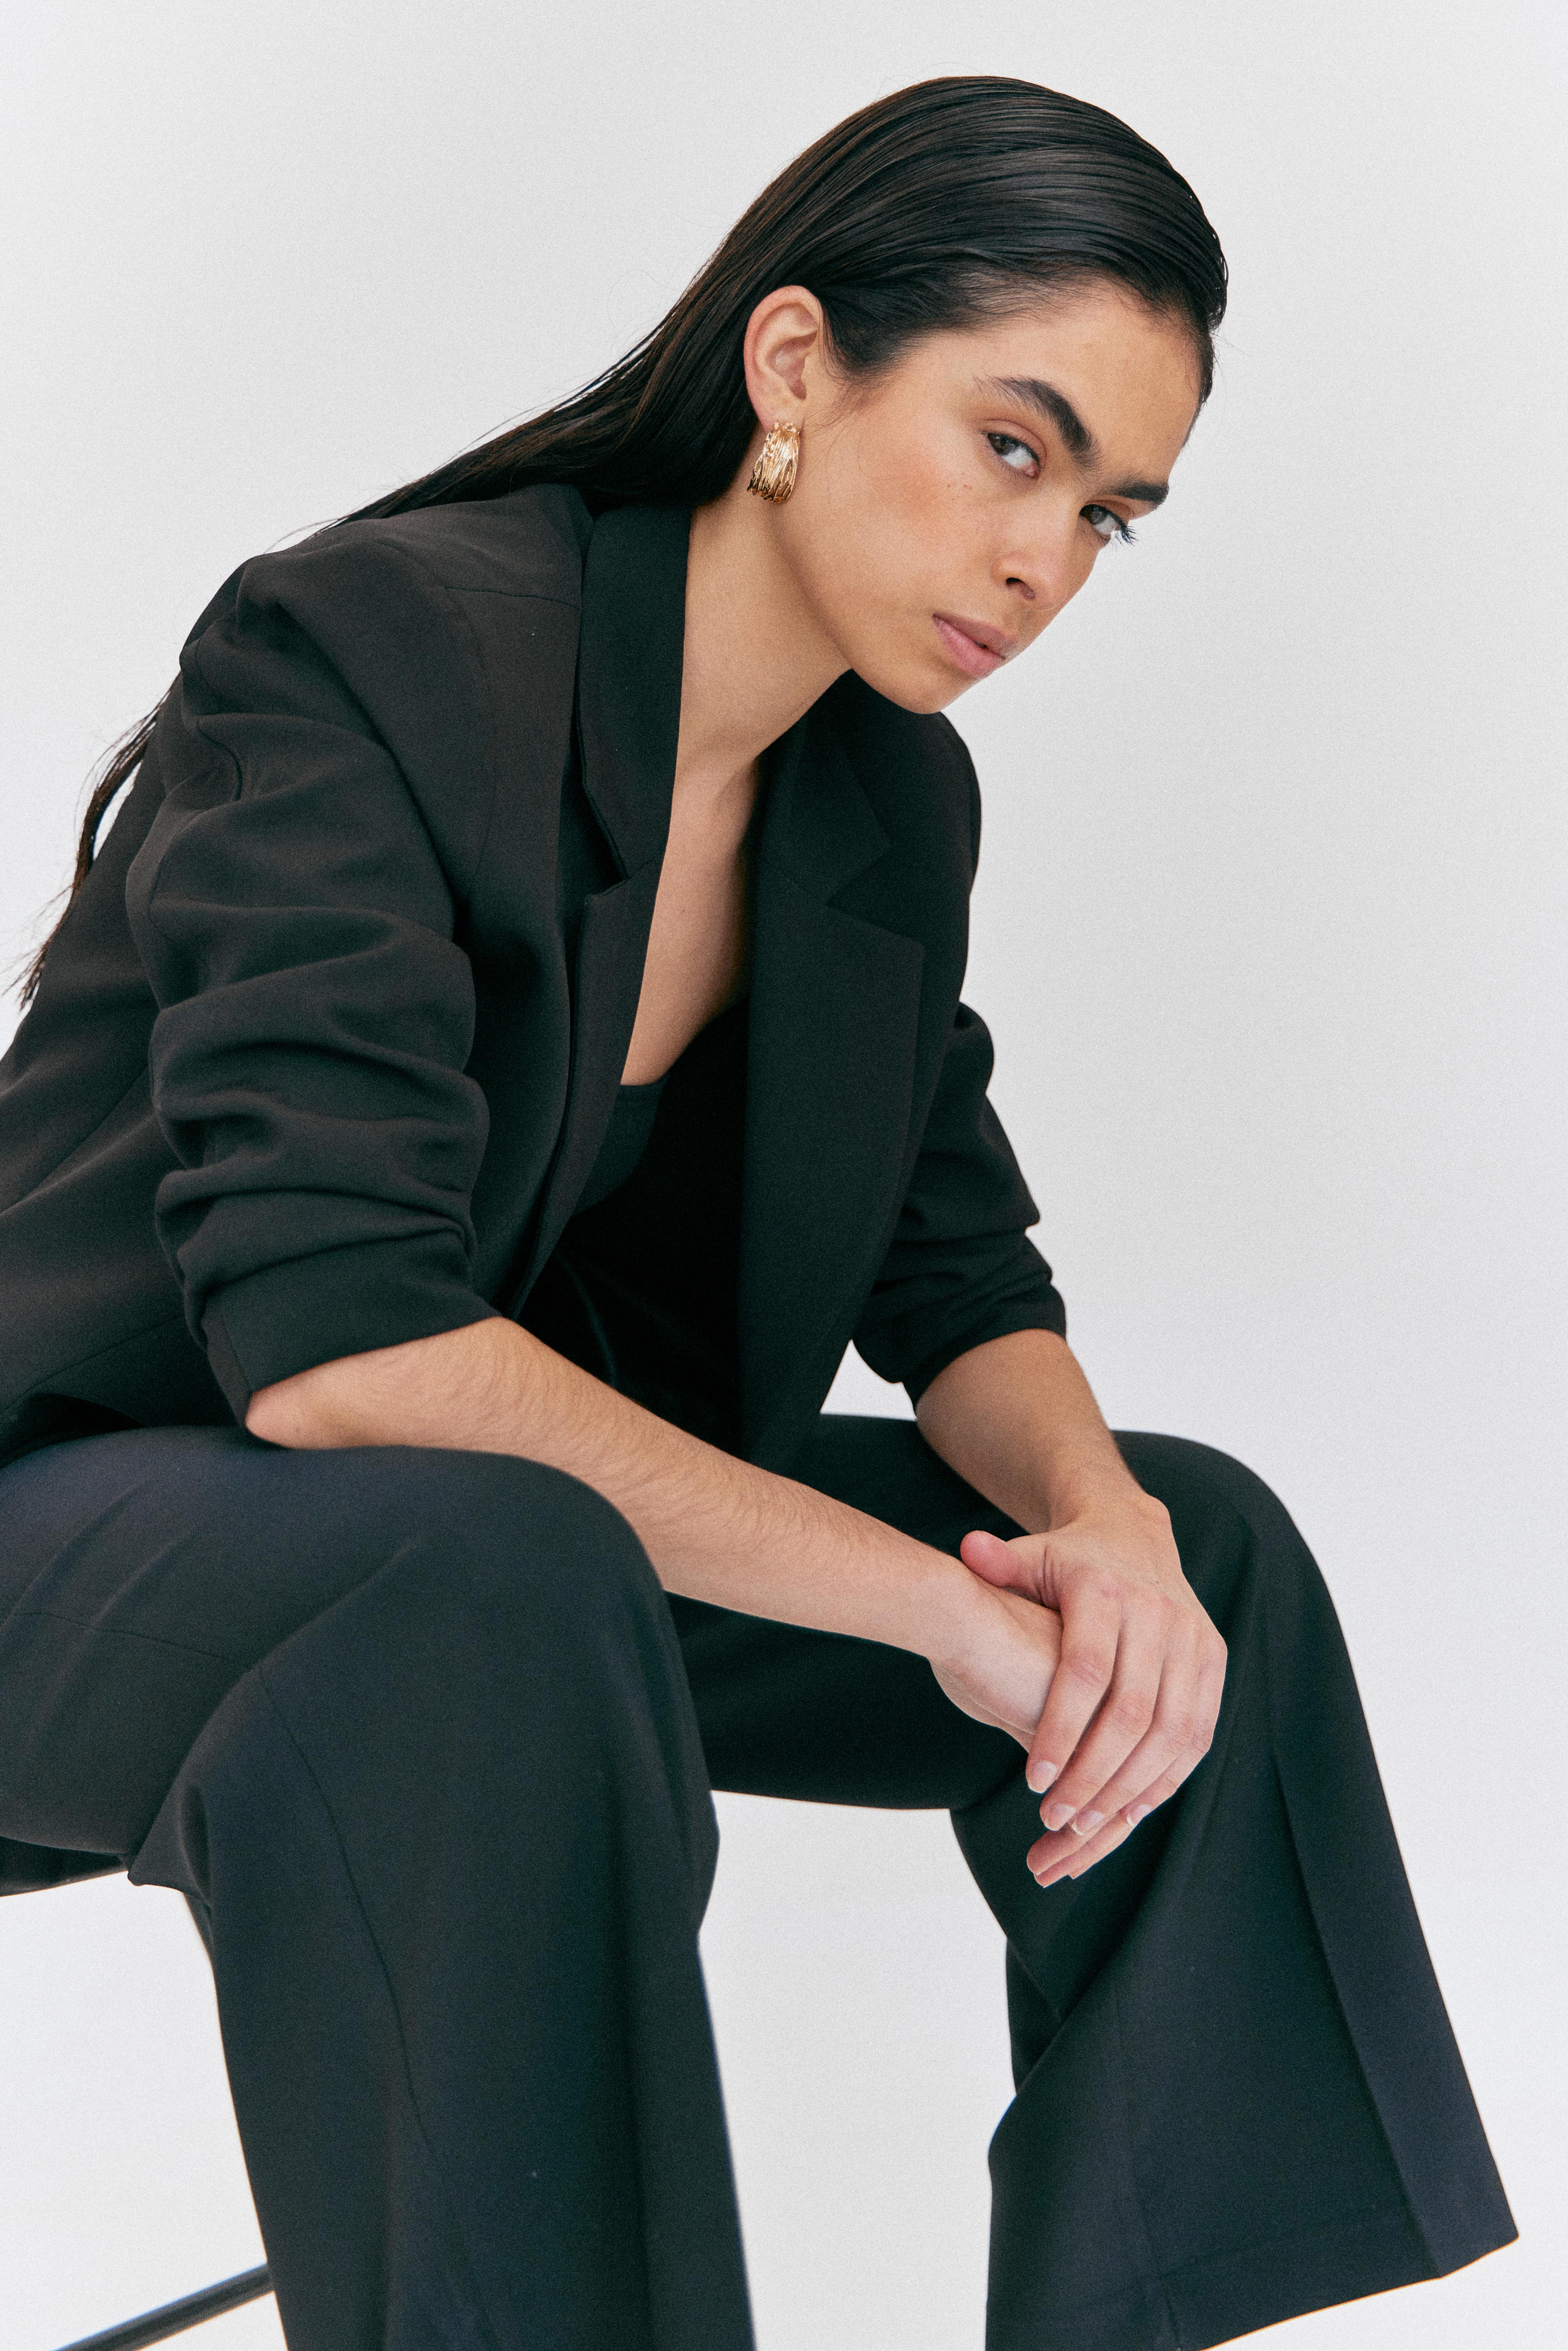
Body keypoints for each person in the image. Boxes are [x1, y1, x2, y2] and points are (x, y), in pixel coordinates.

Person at [0, 73, 1514, 2351]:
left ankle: (1158, 2317)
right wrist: (936, 1612)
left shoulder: (885, 798)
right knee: (489, 1563)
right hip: (86, 1546)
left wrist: (1100, 1537)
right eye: (1013, 448)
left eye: (1109, 517)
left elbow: (954, 1267)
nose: (1045, 561)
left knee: (1203, 1572)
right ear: (796, 367)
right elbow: (338, 1352)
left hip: (495, 1570)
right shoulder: (377, 652)